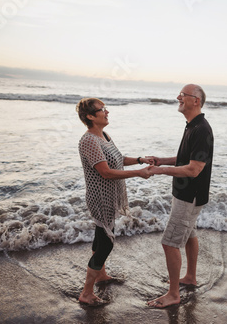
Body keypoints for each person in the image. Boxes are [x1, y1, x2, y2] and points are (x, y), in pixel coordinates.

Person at [76, 97, 153, 306]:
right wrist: (138, 173)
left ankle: (101, 275)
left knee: (101, 237)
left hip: (108, 196)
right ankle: (86, 293)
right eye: (102, 110)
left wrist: (139, 160)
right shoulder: (89, 140)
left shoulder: (104, 135)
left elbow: (117, 159)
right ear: (90, 116)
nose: (107, 112)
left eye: (105, 108)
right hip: (100, 198)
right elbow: (106, 172)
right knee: (106, 243)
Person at [146, 84, 214, 308]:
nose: (178, 97)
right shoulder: (192, 126)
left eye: (183, 95)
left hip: (189, 195)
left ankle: (173, 294)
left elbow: (194, 169)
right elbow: (185, 158)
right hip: (186, 193)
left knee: (170, 243)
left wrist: (159, 171)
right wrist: (162, 161)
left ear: (196, 101)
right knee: (190, 234)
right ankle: (190, 277)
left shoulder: (202, 129)